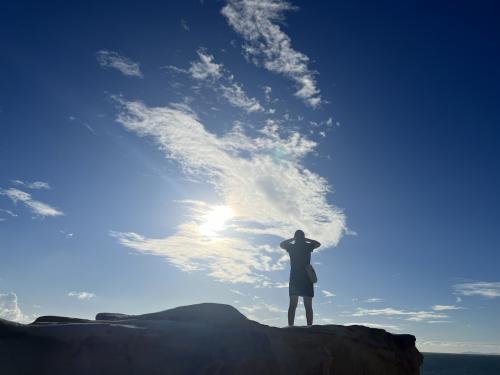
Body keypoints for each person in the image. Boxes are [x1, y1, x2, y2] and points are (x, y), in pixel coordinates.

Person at [280, 230, 321, 326]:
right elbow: (317, 244)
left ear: (296, 237)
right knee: (308, 305)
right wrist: (305, 239)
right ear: (303, 237)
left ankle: (291, 326)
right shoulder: (307, 246)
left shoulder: (292, 247)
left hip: (295, 277)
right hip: (306, 277)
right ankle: (309, 326)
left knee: (293, 304)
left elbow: (282, 244)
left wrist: (294, 239)